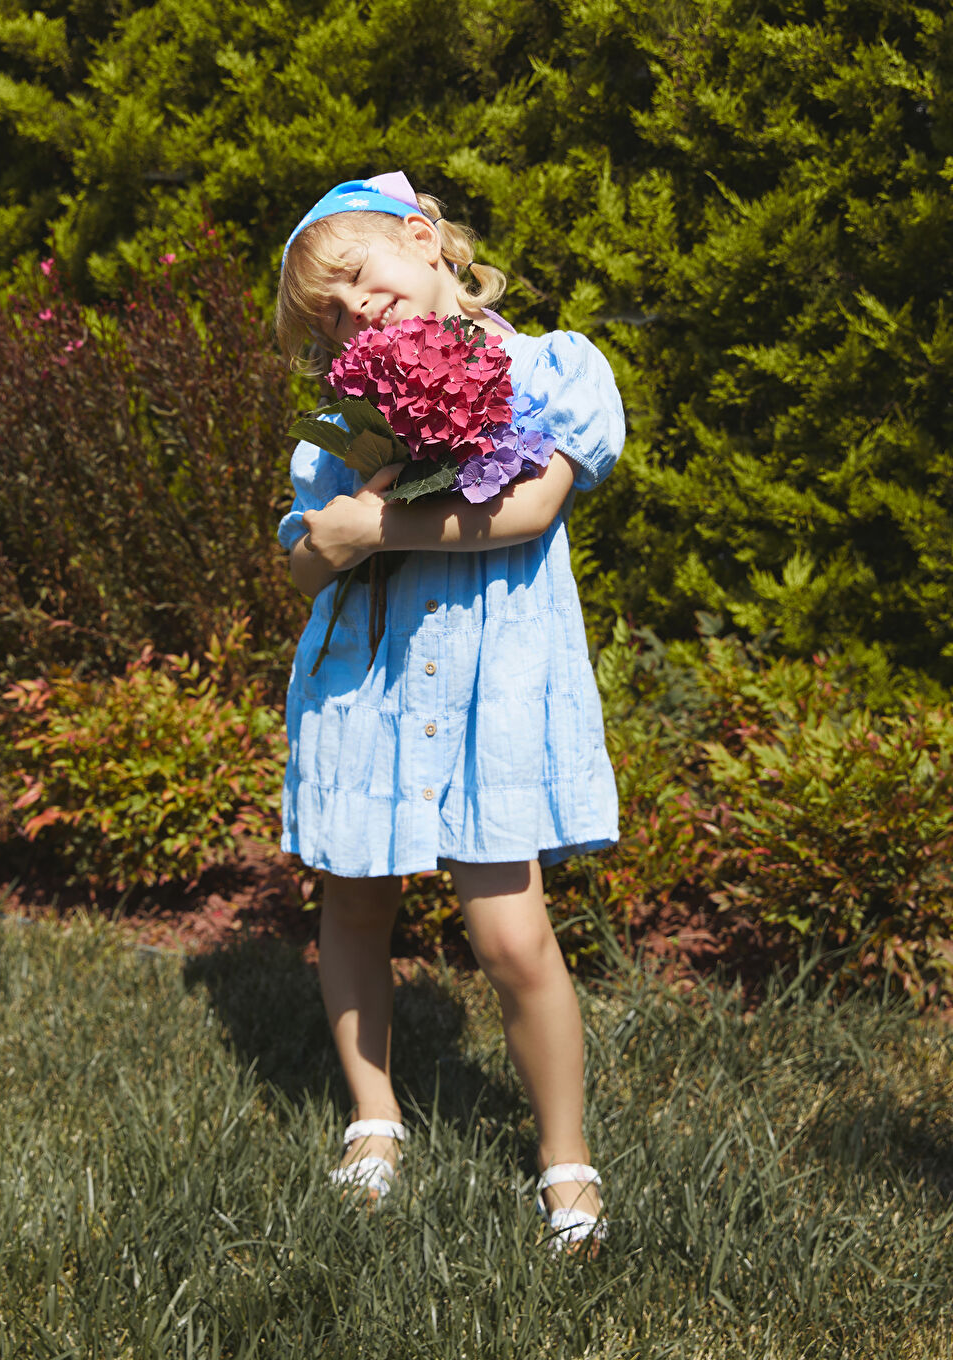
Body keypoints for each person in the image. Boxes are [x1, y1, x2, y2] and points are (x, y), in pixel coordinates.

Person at [273, 172, 624, 1252]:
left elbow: (532, 507)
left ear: (424, 241)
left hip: (494, 693)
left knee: (512, 935)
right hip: (368, 690)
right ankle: (373, 1119)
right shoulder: (346, 424)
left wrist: (372, 527)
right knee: (357, 903)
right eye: (326, 318)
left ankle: (567, 1159)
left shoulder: (553, 367)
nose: (353, 313)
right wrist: (324, 534)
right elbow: (303, 552)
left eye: (357, 280)